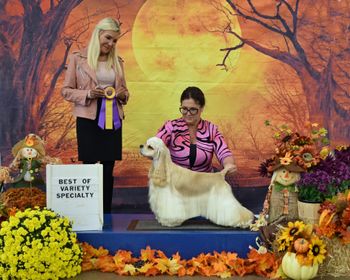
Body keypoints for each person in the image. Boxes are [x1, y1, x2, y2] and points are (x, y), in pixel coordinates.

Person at [62, 18, 129, 214]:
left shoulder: (117, 62)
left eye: (115, 40)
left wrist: (122, 95)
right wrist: (88, 94)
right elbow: (66, 90)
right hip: (87, 118)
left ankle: (106, 214)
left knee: (108, 167)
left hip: (113, 117)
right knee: (90, 166)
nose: (111, 43)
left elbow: (124, 91)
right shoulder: (77, 58)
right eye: (108, 38)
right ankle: (88, 213)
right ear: (98, 34)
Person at [156, 86, 236, 176]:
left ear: (201, 108)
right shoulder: (171, 127)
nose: (188, 113)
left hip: (204, 183)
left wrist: (229, 165)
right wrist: (153, 148)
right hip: (176, 183)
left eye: (193, 109)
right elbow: (155, 145)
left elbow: (224, 153)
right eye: (184, 109)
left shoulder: (211, 129)